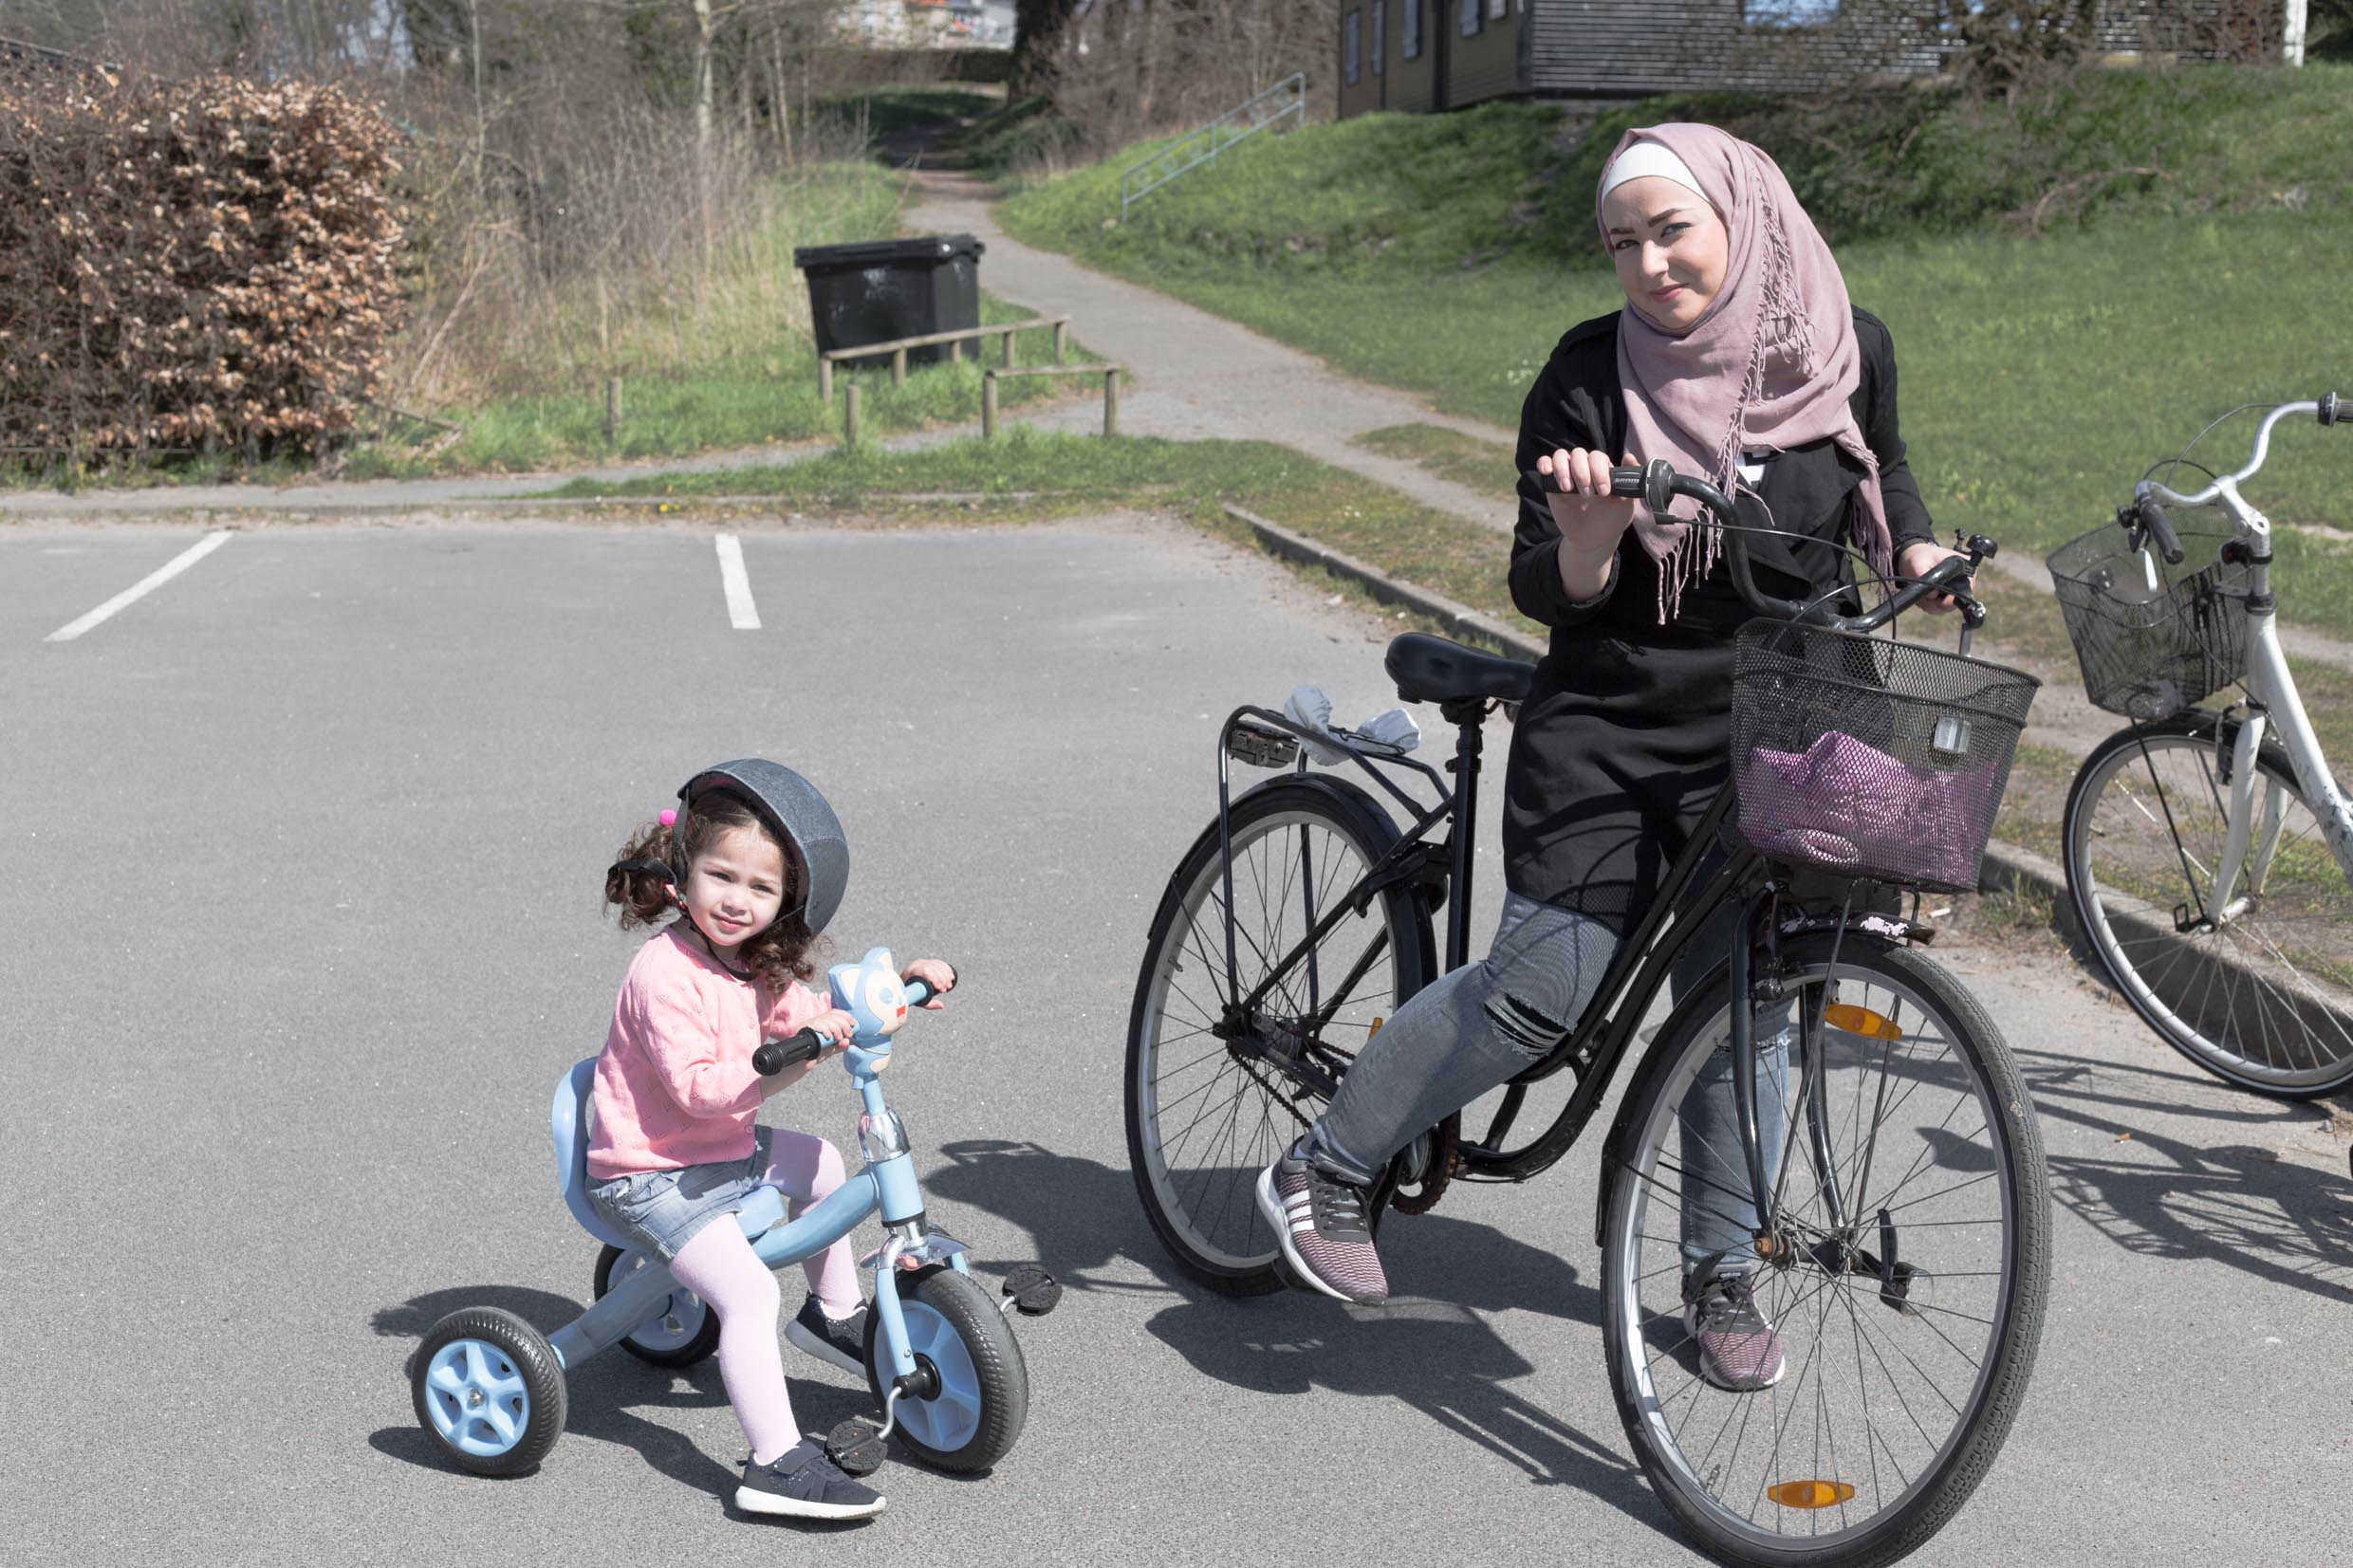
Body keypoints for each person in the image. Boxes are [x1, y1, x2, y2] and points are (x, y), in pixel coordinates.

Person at [1253, 123, 1966, 1393]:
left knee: (1749, 1009)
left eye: (1672, 229)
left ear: (1743, 219)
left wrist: (1910, 547)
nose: (1650, 262)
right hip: (1617, 729)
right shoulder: (1591, 377)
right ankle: (1330, 1161)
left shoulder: (1845, 341)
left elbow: (1883, 465)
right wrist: (1590, 538)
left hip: (1790, 725)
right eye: (1623, 240)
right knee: (1545, 993)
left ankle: (1719, 1271)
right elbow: (1548, 585)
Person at [587, 759, 954, 1521]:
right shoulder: (664, 972)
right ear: (681, 874)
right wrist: (809, 1050)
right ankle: (774, 1464)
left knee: (821, 1163)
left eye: (761, 887)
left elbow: (814, 1011)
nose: (737, 901)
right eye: (722, 876)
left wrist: (893, 991)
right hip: (648, 1172)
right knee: (749, 1292)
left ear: (787, 899)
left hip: (715, 1151)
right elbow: (701, 1091)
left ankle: (834, 1312)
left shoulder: (752, 960)